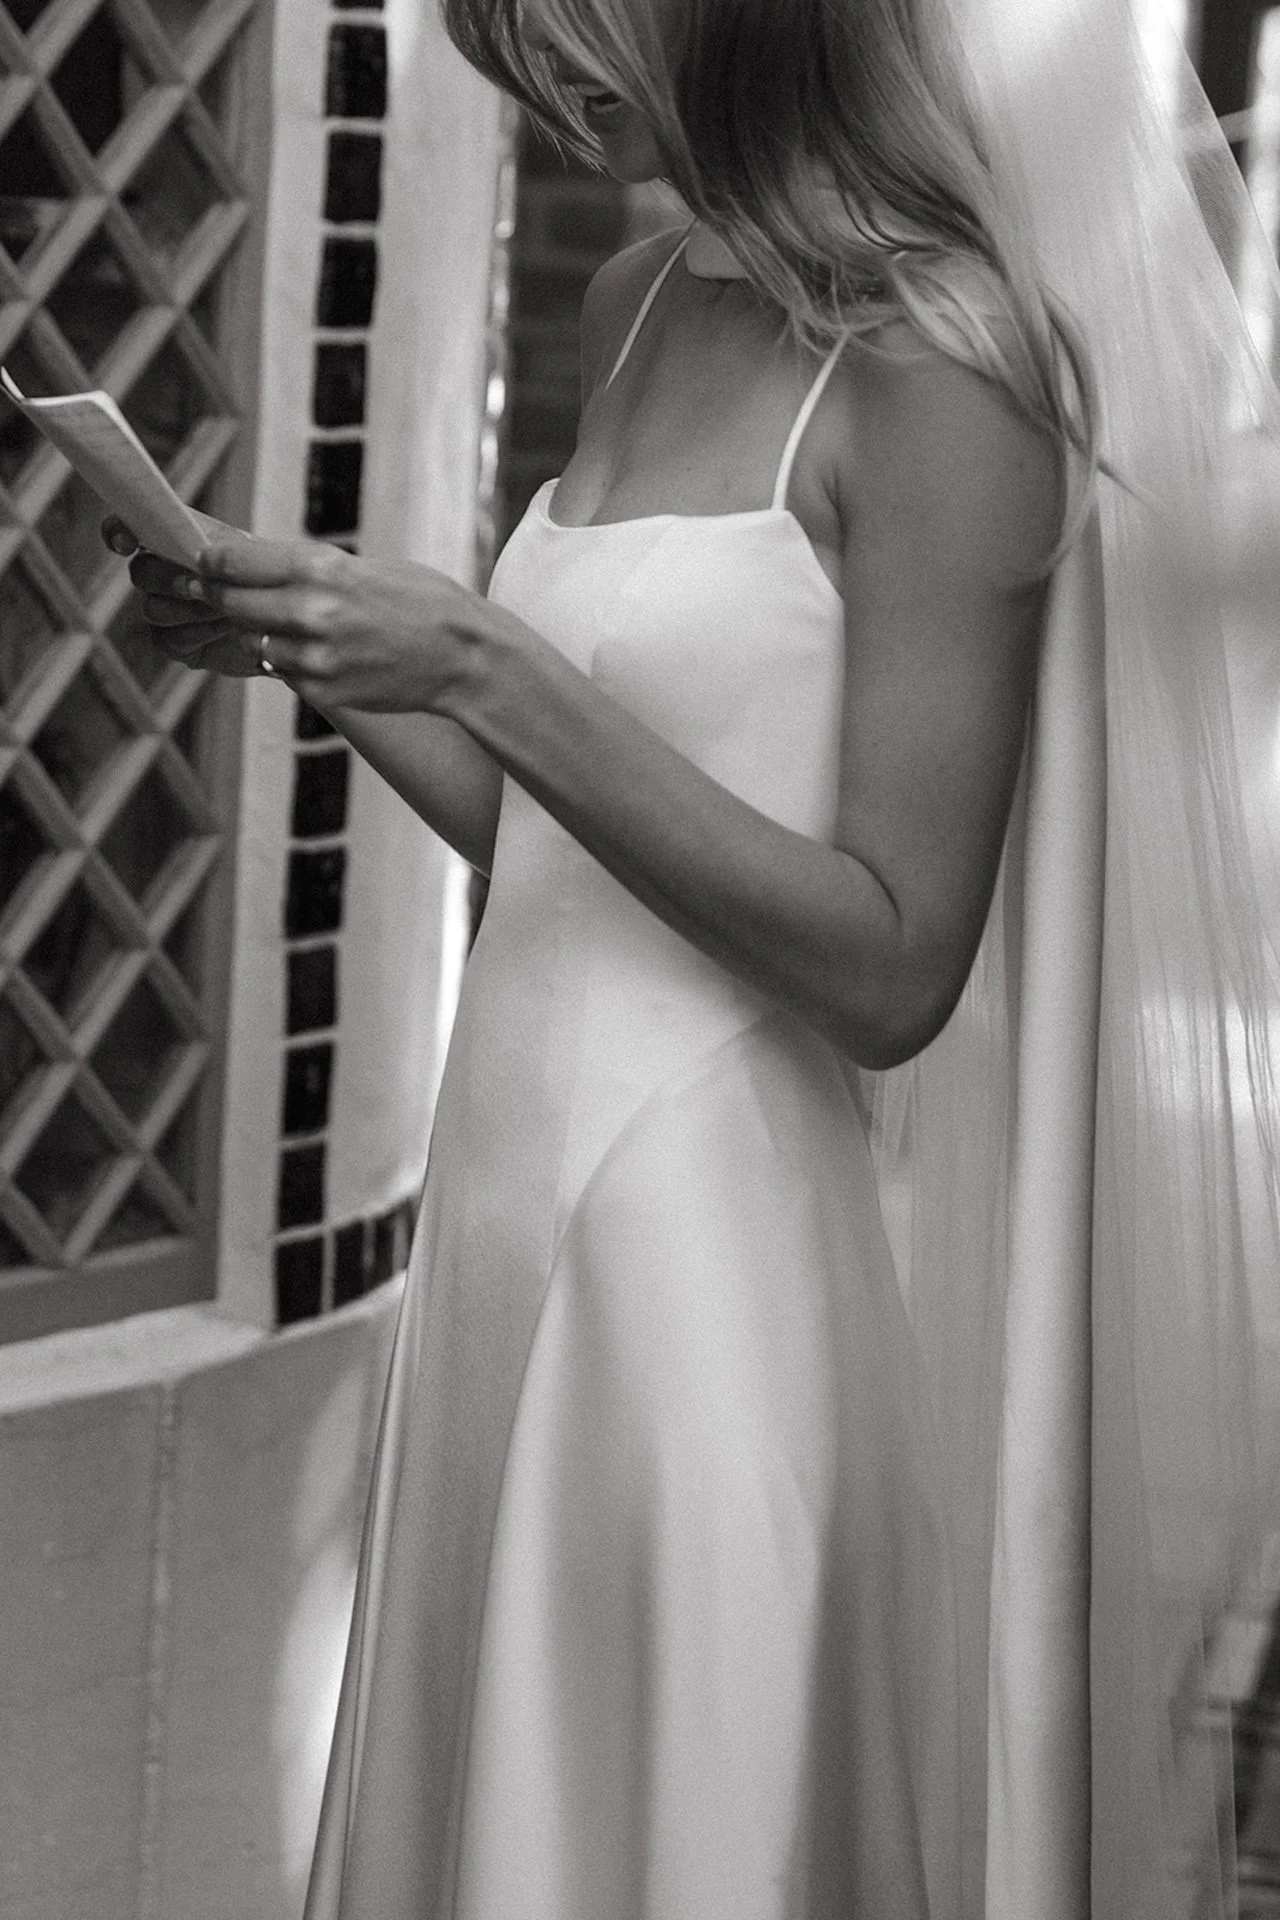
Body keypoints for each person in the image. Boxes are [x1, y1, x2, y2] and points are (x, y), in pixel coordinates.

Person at [106, 0, 1280, 1914]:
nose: (544, 91)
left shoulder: (948, 376)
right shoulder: (635, 299)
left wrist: (485, 664)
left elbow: (901, 967)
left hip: (701, 1286)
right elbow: (560, 852)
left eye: (568, 39)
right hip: (493, 1244)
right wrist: (315, 664)